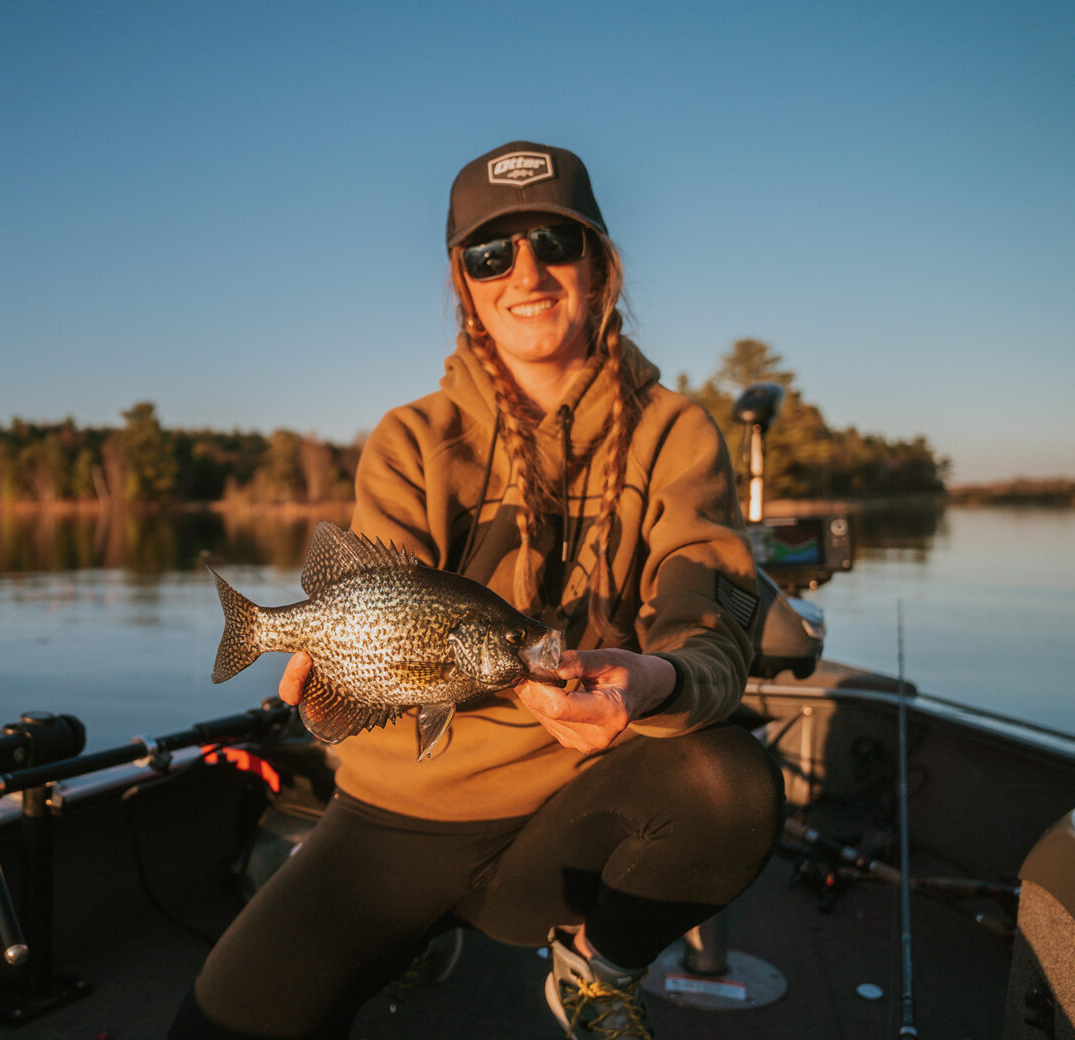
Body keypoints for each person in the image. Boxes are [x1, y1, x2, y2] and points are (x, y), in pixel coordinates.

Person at [168, 141, 785, 1039]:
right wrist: (337, 674)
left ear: (600, 263)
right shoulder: (413, 438)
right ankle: (411, 934)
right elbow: (382, 602)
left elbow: (719, 614)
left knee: (733, 785)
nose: (526, 273)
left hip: (577, 807)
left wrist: (658, 681)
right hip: (397, 815)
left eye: (555, 243)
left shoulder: (678, 433)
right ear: (464, 282)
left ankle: (596, 968)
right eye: (492, 254)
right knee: (212, 1031)